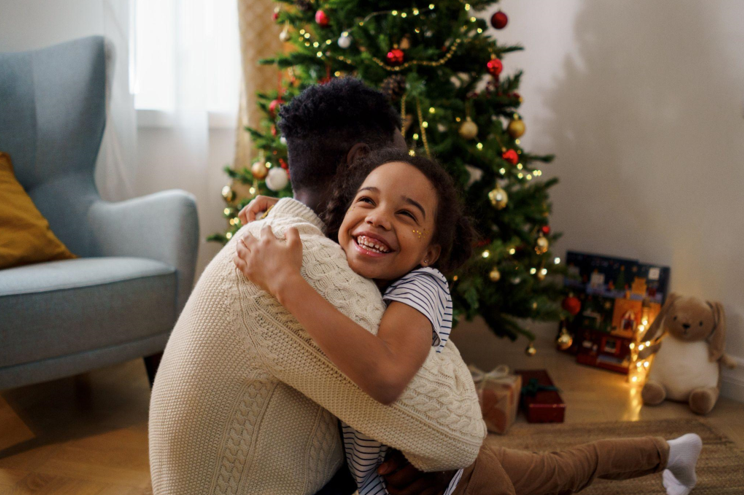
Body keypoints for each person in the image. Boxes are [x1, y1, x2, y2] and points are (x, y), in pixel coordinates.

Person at [235, 150, 704, 495]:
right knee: (565, 469)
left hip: (459, 482)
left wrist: (285, 282)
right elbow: (335, 236)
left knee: (564, 474)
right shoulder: (349, 269)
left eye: (405, 215)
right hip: (428, 467)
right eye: (367, 201)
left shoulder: (423, 286)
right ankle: (675, 453)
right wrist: (280, 210)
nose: (377, 219)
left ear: (430, 253)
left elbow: (385, 374)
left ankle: (671, 454)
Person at [148, 78, 486, 495]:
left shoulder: (280, 238)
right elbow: (461, 437)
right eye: (399, 156)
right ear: (362, 162)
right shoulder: (300, 264)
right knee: (476, 470)